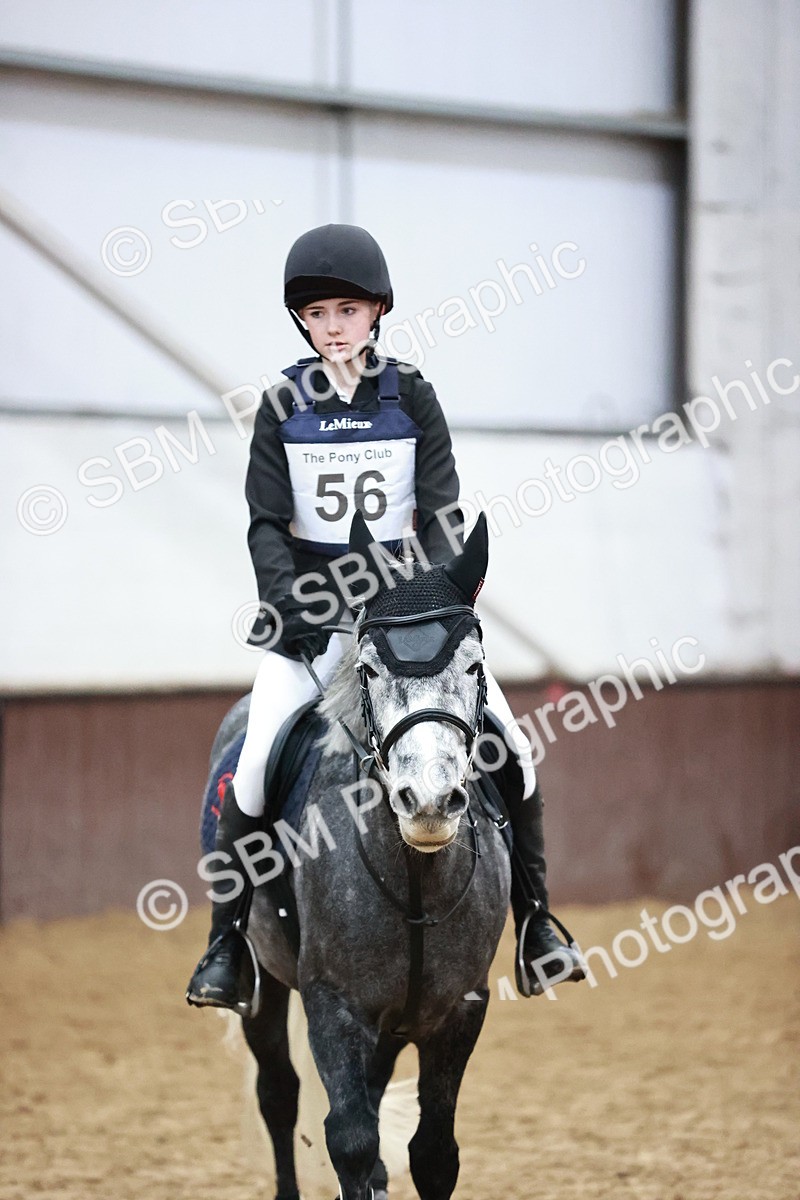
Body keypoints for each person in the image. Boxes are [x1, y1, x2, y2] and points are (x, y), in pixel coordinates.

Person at [186, 223, 584, 1010]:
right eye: (318, 313)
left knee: (514, 751)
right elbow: (267, 522)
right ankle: (226, 945)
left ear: (376, 312)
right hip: (312, 628)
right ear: (303, 321)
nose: (332, 326)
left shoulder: (414, 396)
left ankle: (538, 925)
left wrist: (424, 600)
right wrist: (291, 606)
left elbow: (440, 511)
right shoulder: (281, 406)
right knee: (259, 760)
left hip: (406, 628)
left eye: (347, 310)